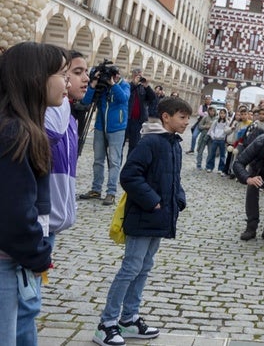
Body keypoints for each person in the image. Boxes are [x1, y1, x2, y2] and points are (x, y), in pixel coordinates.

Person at [92, 96, 191, 346]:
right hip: (144, 215)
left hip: (159, 217)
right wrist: (153, 201)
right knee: (130, 268)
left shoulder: (174, 145)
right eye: (182, 117)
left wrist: (178, 199)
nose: (187, 122)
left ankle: (129, 319)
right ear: (166, 117)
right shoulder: (150, 143)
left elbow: (174, 179)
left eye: (188, 117)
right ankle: (107, 323)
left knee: (144, 267)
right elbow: (130, 175)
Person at [16, 50, 89, 344]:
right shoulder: (51, 116)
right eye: (75, 72)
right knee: (26, 304)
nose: (86, 78)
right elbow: (53, 135)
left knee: (29, 302)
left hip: (52, 221)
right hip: (37, 223)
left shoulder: (68, 114)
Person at [0, 42, 67, 346]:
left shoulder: (23, 127)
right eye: (62, 74)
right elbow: (13, 211)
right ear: (36, 77)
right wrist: (38, 254)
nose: (65, 82)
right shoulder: (14, 132)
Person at [79, 63, 131, 206]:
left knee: (114, 161)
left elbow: (123, 99)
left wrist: (113, 84)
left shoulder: (124, 85)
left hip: (117, 127)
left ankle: (111, 192)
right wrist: (94, 83)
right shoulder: (101, 86)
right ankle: (96, 189)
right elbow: (86, 100)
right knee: (98, 160)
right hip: (100, 126)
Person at [125, 68, 156, 155]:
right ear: (133, 75)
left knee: (134, 145)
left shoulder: (143, 88)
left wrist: (147, 86)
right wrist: (134, 84)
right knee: (121, 143)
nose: (139, 77)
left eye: (140, 75)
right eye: (137, 75)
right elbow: (126, 94)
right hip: (126, 119)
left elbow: (153, 98)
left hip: (137, 121)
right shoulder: (127, 85)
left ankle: (129, 164)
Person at [204, 108, 228, 173]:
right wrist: (213, 136)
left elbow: (227, 131)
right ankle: (210, 167)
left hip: (222, 140)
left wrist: (224, 137)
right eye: (221, 113)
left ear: (226, 114)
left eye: (224, 113)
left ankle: (221, 168)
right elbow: (211, 129)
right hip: (215, 139)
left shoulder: (227, 122)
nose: (222, 115)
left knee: (222, 155)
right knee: (212, 153)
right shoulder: (216, 121)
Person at [194, 106, 216, 170]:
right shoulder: (205, 117)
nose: (211, 112)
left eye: (213, 111)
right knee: (200, 150)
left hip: (211, 137)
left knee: (210, 152)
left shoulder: (216, 119)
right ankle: (198, 164)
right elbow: (200, 126)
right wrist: (205, 126)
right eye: (210, 111)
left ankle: (208, 166)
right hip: (204, 136)